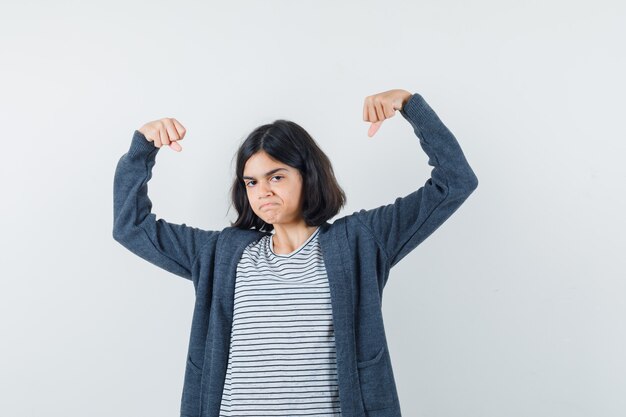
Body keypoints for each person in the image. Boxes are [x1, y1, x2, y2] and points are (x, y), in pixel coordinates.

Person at [113, 89, 479, 417]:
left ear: (309, 176)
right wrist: (142, 149)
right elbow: (131, 226)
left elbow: (455, 182)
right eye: (252, 182)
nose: (262, 191)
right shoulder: (221, 254)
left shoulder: (359, 242)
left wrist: (409, 105)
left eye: (276, 176)